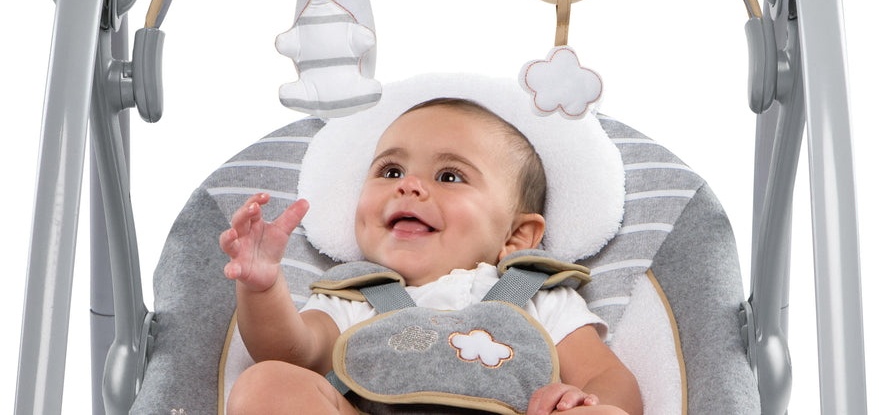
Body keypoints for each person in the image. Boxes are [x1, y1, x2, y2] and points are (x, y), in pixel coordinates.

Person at [219, 98, 642, 414]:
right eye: (391, 171)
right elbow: (292, 352)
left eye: (449, 176)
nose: (409, 185)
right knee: (266, 383)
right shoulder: (351, 298)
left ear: (516, 236)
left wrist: (578, 401)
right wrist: (262, 286)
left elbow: (608, 378)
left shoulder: (538, 298)